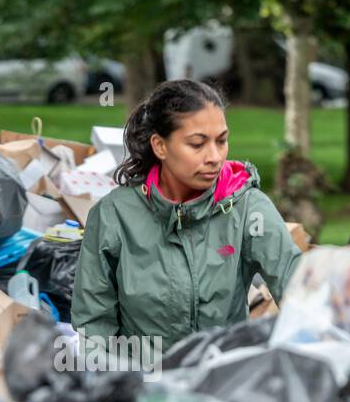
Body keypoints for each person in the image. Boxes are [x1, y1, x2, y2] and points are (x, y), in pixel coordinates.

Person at [71, 79, 302, 357]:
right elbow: (94, 327)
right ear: (160, 146)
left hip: (221, 383)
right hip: (143, 387)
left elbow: (299, 293)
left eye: (222, 140)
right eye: (197, 144)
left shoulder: (248, 209)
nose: (215, 157)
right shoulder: (113, 215)